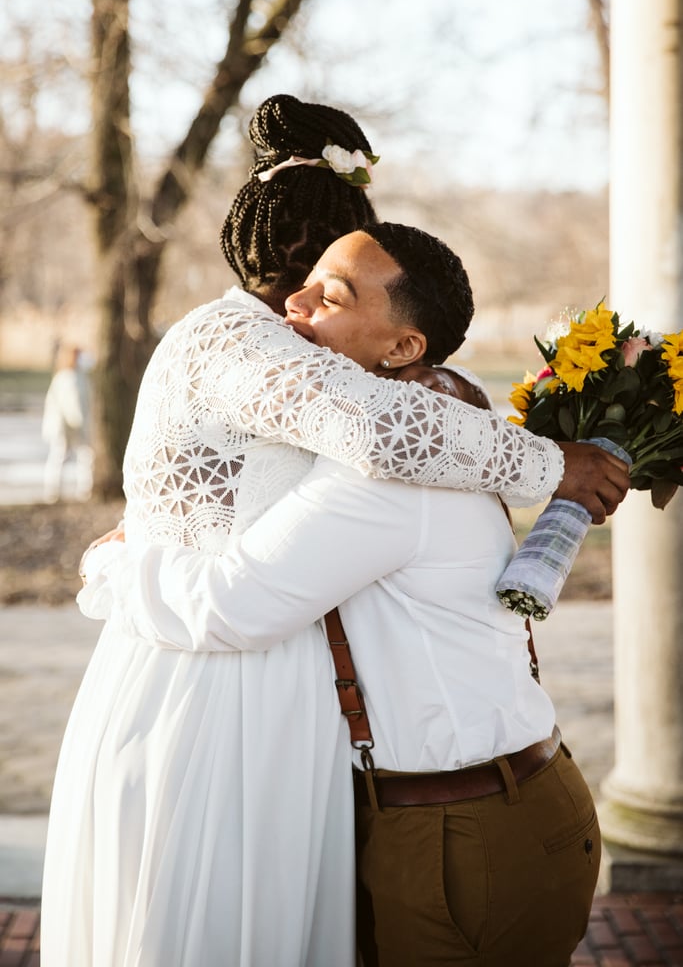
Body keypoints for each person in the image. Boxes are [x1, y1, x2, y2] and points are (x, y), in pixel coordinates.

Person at [42, 90, 628, 964]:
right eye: (310, 279)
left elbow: (375, 427)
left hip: (279, 699)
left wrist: (118, 568)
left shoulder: (386, 432)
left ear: (404, 348)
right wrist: (552, 462)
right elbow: (364, 429)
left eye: (334, 288)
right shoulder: (251, 343)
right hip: (218, 694)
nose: (299, 309)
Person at [41, 343, 93, 502]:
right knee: (66, 456)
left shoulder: (76, 376)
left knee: (69, 457)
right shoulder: (68, 378)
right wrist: (81, 425)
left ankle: (81, 491)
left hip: (70, 426)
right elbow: (72, 405)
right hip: (65, 426)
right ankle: (55, 492)